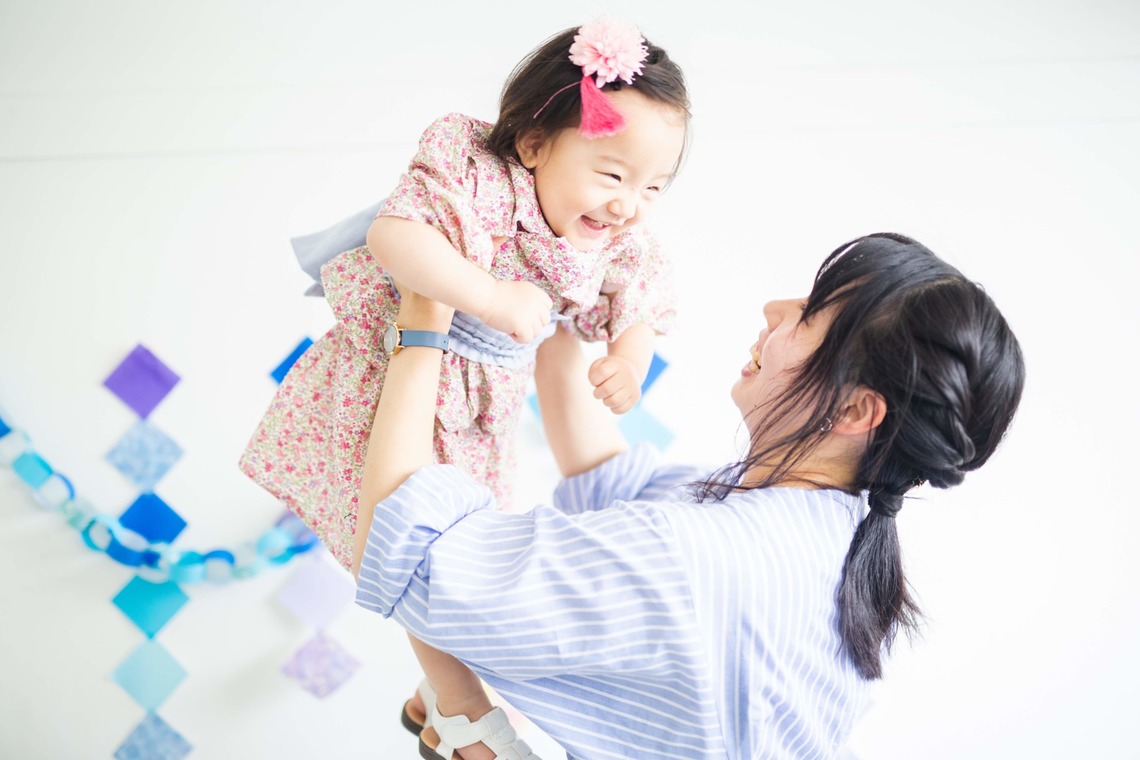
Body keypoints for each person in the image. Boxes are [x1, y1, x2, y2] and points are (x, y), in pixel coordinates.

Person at [350, 233, 1026, 760]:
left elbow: (401, 543)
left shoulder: (701, 559)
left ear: (855, 413)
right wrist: (562, 316)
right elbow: (610, 482)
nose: (774, 309)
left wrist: (427, 305)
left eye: (812, 314)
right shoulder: (828, 527)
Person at [239, 18, 689, 760]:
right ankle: (457, 708)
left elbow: (639, 292)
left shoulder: (616, 233)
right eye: (612, 174)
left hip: (483, 405)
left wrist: (630, 356)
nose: (628, 203)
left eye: (653, 186)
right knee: (414, 545)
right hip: (391, 379)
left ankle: (433, 696)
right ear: (535, 142)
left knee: (467, 556)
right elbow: (395, 237)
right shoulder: (473, 164)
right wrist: (488, 296)